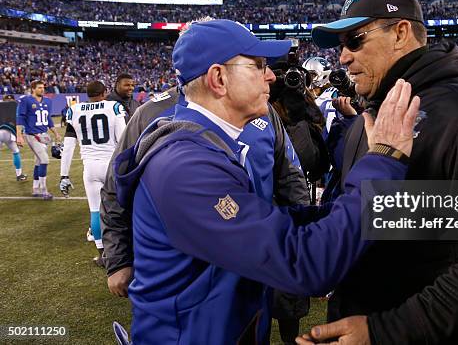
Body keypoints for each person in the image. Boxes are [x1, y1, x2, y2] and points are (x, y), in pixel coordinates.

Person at [113, 19, 421, 344]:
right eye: (259, 66)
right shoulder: (185, 167)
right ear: (219, 78)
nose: (271, 76)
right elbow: (305, 263)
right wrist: (384, 160)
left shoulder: (209, 144)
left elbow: (274, 221)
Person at [300, 0, 458, 345]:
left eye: (355, 40)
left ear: (400, 32)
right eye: (340, 46)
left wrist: (386, 331)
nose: (343, 57)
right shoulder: (371, 116)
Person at [59, 81, 127, 266]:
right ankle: (127, 251)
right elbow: (122, 139)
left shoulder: (75, 110)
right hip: (111, 165)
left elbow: (69, 146)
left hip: (89, 168)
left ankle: (103, 256)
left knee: (95, 211)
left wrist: (64, 175)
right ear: (105, 92)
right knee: (124, 207)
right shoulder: (113, 106)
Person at [16, 80, 60, 199]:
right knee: (44, 160)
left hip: (44, 135)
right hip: (32, 135)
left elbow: (48, 118)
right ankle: (43, 190)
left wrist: (55, 132)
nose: (42, 89)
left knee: (38, 161)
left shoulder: (47, 101)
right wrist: (19, 135)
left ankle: (35, 189)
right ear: (33, 89)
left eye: (43, 87)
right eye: (39, 88)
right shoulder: (26, 100)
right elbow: (20, 118)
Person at [0, 94, 27, 181]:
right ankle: (19, 175)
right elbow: (20, 122)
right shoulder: (16, 107)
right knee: (15, 151)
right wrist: (20, 136)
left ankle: (19, 175)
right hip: (9, 133)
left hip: (3, 131)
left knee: (16, 151)